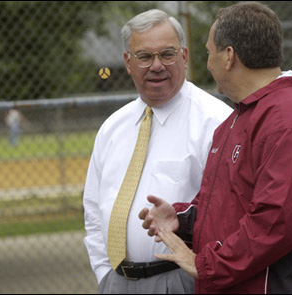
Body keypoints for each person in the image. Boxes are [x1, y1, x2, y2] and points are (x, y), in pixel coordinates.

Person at [139, 2, 292, 294]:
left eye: (209, 52)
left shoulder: (287, 120)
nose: (207, 63)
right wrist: (182, 220)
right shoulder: (236, 120)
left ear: (229, 56)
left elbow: (277, 222)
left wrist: (207, 265)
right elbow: (231, 206)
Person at [82, 9, 232, 294]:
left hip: (181, 280)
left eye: (167, 54)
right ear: (128, 62)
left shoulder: (216, 122)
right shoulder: (112, 127)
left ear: (185, 56)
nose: (157, 65)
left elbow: (228, 211)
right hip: (115, 282)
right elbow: (93, 207)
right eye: (145, 57)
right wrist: (104, 273)